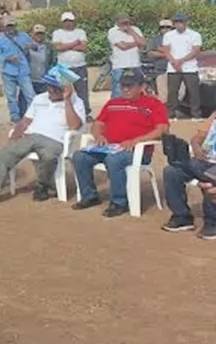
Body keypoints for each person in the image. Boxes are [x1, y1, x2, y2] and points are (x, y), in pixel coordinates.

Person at [0, 75, 84, 207]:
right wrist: (13, 137)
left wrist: (67, 100)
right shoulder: (39, 98)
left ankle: (42, 185)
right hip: (30, 135)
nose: (52, 91)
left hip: (54, 139)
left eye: (57, 88)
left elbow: (75, 126)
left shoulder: (76, 102)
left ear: (66, 88)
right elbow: (25, 121)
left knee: (49, 156)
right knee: (5, 154)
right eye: (50, 87)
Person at [72, 70, 168, 217]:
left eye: (130, 85)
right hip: (108, 148)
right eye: (123, 85)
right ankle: (89, 196)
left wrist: (136, 141)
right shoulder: (113, 103)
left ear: (141, 86)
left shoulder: (153, 104)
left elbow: (162, 129)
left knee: (114, 160)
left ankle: (119, 202)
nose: (125, 89)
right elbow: (97, 124)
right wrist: (98, 136)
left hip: (136, 151)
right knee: (79, 156)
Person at [161, 113, 216, 237]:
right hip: (203, 161)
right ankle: (182, 216)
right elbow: (197, 137)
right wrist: (196, 147)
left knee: (209, 177)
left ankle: (212, 222)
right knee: (171, 171)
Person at [161, 13, 202, 119]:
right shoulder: (168, 35)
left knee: (193, 92)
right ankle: (171, 115)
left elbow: (196, 50)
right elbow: (166, 51)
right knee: (172, 92)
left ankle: (196, 115)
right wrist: (174, 62)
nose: (178, 24)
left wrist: (181, 61)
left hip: (190, 67)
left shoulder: (195, 35)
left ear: (185, 23)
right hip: (173, 68)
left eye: (181, 22)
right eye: (176, 22)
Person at [0, 18, 36, 122]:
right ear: (4, 27)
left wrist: (30, 46)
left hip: (23, 70)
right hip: (8, 71)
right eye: (8, 26)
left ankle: (34, 116)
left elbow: (35, 46)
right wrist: (8, 58)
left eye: (12, 26)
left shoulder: (24, 36)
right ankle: (15, 117)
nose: (10, 28)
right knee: (11, 97)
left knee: (30, 95)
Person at [51, 12, 90, 118]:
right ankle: (63, 114)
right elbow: (58, 47)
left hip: (80, 66)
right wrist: (75, 43)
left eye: (70, 21)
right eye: (66, 21)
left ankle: (85, 113)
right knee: (64, 92)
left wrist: (65, 46)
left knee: (82, 92)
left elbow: (83, 48)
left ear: (74, 22)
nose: (68, 23)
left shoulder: (80, 32)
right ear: (62, 22)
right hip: (64, 68)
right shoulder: (57, 33)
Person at [106, 13, 145, 99]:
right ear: (117, 22)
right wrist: (136, 43)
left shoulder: (135, 29)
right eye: (123, 22)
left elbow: (142, 43)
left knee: (136, 91)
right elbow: (123, 46)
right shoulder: (113, 31)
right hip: (120, 67)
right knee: (118, 92)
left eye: (127, 22)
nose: (126, 24)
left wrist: (131, 31)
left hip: (135, 65)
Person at [146, 19, 173, 96]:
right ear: (159, 29)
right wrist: (167, 54)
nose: (165, 29)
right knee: (162, 94)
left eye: (168, 27)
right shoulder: (155, 40)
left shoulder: (178, 39)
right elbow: (150, 53)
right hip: (160, 70)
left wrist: (160, 51)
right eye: (163, 27)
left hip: (175, 70)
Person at [27, 25, 54, 94]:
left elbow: (51, 61)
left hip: (43, 81)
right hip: (29, 81)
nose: (39, 36)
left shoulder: (48, 47)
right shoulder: (26, 46)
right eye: (37, 34)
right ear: (32, 34)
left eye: (41, 33)